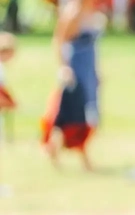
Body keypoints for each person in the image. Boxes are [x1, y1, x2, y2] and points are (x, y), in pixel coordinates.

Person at [40, 0, 102, 170]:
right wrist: (64, 67)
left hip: (88, 69)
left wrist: (97, 72)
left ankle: (57, 150)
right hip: (76, 70)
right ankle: (81, 158)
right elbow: (59, 41)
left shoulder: (90, 10)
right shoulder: (73, 12)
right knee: (75, 115)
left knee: (85, 114)